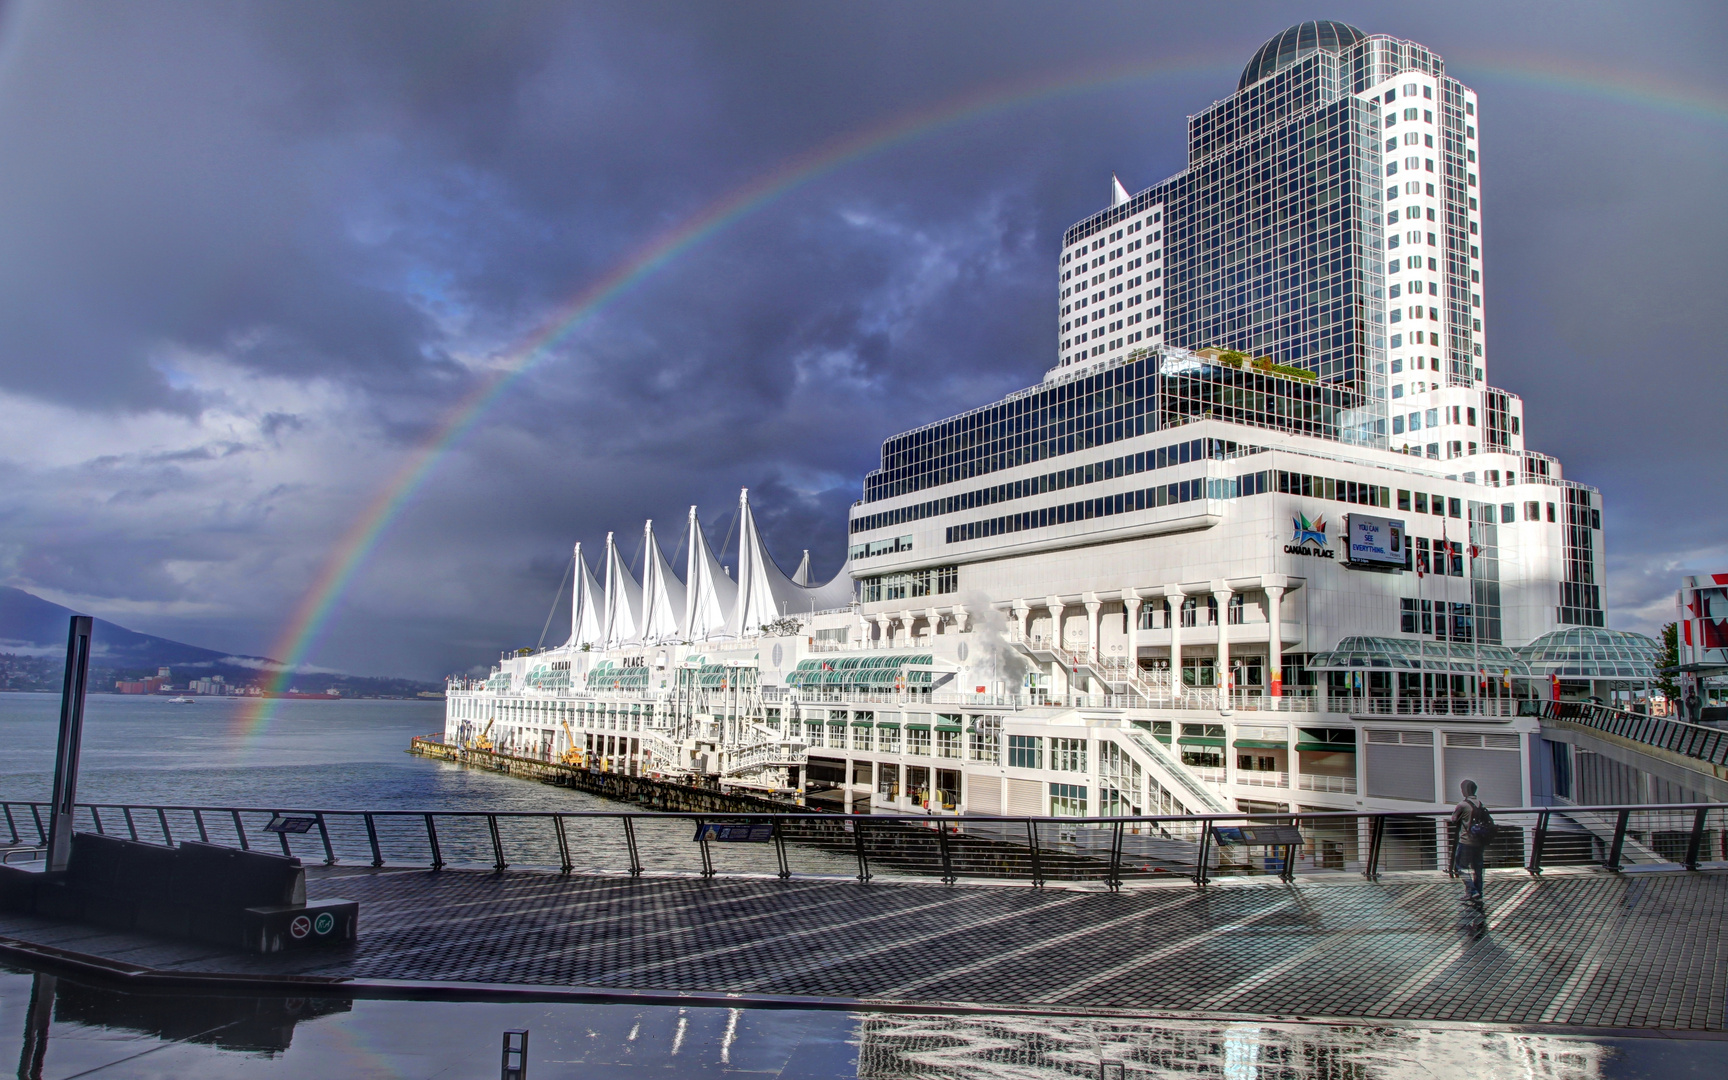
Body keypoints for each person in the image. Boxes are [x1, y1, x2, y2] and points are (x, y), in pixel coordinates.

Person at [1450, 779, 1493, 907]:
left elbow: (1454, 819)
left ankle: (1472, 890)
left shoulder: (1462, 805)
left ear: (1465, 790)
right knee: (1477, 868)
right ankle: (1477, 892)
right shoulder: (1480, 803)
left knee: (1460, 867)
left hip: (1466, 841)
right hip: (1479, 841)